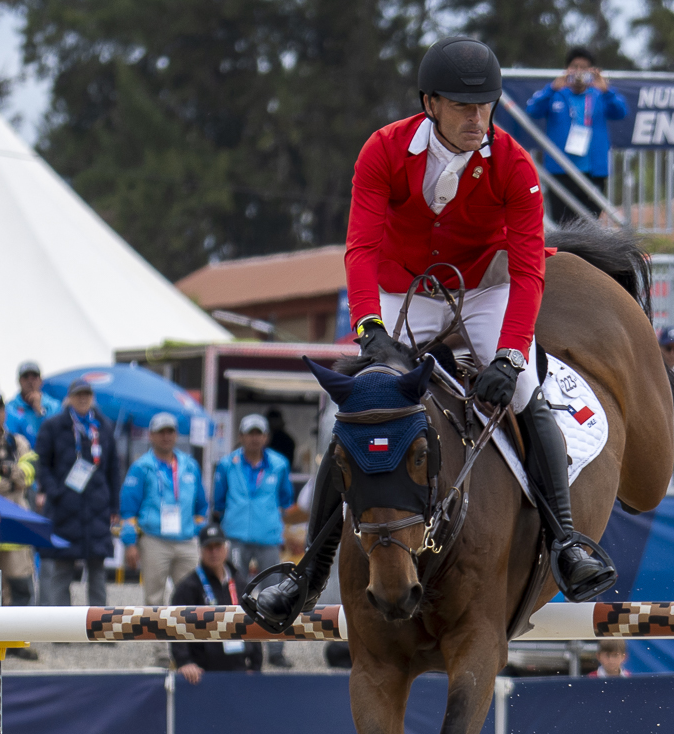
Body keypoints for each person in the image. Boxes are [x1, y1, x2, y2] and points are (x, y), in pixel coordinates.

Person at [251, 35, 616, 633]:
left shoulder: (517, 168)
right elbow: (362, 245)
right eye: (464, 107)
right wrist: (368, 323)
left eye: (486, 106)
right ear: (430, 104)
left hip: (486, 288)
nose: (479, 119)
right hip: (405, 288)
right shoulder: (383, 151)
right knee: (351, 407)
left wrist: (507, 353)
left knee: (525, 390)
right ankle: (306, 574)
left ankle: (565, 542)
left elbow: (529, 271)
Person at [35, 378, 120, 608]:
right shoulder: (53, 426)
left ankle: (99, 628)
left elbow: (113, 468)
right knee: (62, 570)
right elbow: (41, 464)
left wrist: (113, 506)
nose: (83, 399)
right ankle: (62, 629)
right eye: (78, 394)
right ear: (70, 398)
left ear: (92, 398)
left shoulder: (103, 427)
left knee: (97, 572)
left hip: (97, 509)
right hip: (65, 509)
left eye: (87, 394)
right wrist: (55, 492)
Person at [523, 46, 627, 226]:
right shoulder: (556, 94)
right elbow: (532, 110)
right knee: (561, 225)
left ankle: (584, 256)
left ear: (592, 71)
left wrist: (606, 90)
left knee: (590, 225)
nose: (579, 72)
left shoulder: (599, 94)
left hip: (592, 172)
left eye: (584, 68)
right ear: (566, 69)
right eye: (575, 67)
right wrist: (551, 88)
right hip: (561, 170)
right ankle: (564, 255)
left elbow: (621, 111)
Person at [121, 410, 208, 606]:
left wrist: (196, 530)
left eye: (170, 432)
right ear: (151, 435)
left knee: (192, 596)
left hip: (186, 541)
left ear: (176, 435)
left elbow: (202, 506)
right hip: (154, 540)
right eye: (161, 432)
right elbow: (128, 510)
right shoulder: (141, 467)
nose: (166, 436)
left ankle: (188, 636)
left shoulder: (190, 465)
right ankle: (157, 637)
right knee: (154, 597)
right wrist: (130, 543)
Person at [214, 411, 294, 613]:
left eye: (259, 434)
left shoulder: (279, 465)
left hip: (268, 538)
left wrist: (278, 526)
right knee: (235, 587)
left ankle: (272, 637)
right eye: (250, 434)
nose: (255, 438)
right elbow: (219, 501)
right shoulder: (226, 464)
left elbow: (286, 500)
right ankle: (237, 639)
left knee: (272, 590)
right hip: (235, 536)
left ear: (266, 437)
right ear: (241, 437)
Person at [0, 389, 40, 630]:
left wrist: (5, 477)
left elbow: (31, 470)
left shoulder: (18, 442)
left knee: (22, 585)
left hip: (15, 523)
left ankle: (17, 641)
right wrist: (10, 480)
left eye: (0, 408)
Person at [168, 525, 261, 683]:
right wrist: (184, 662)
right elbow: (176, 625)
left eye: (218, 546)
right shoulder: (189, 586)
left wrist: (256, 665)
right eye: (208, 547)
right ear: (200, 550)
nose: (214, 552)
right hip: (202, 674)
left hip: (240, 670)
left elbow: (253, 622)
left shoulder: (240, 583)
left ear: (226, 548)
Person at [7, 361, 60, 445]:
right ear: (19, 381)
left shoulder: (54, 406)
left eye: (34, 377)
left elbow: (57, 433)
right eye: (26, 377)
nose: (30, 381)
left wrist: (40, 411)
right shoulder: (10, 408)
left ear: (40, 380)